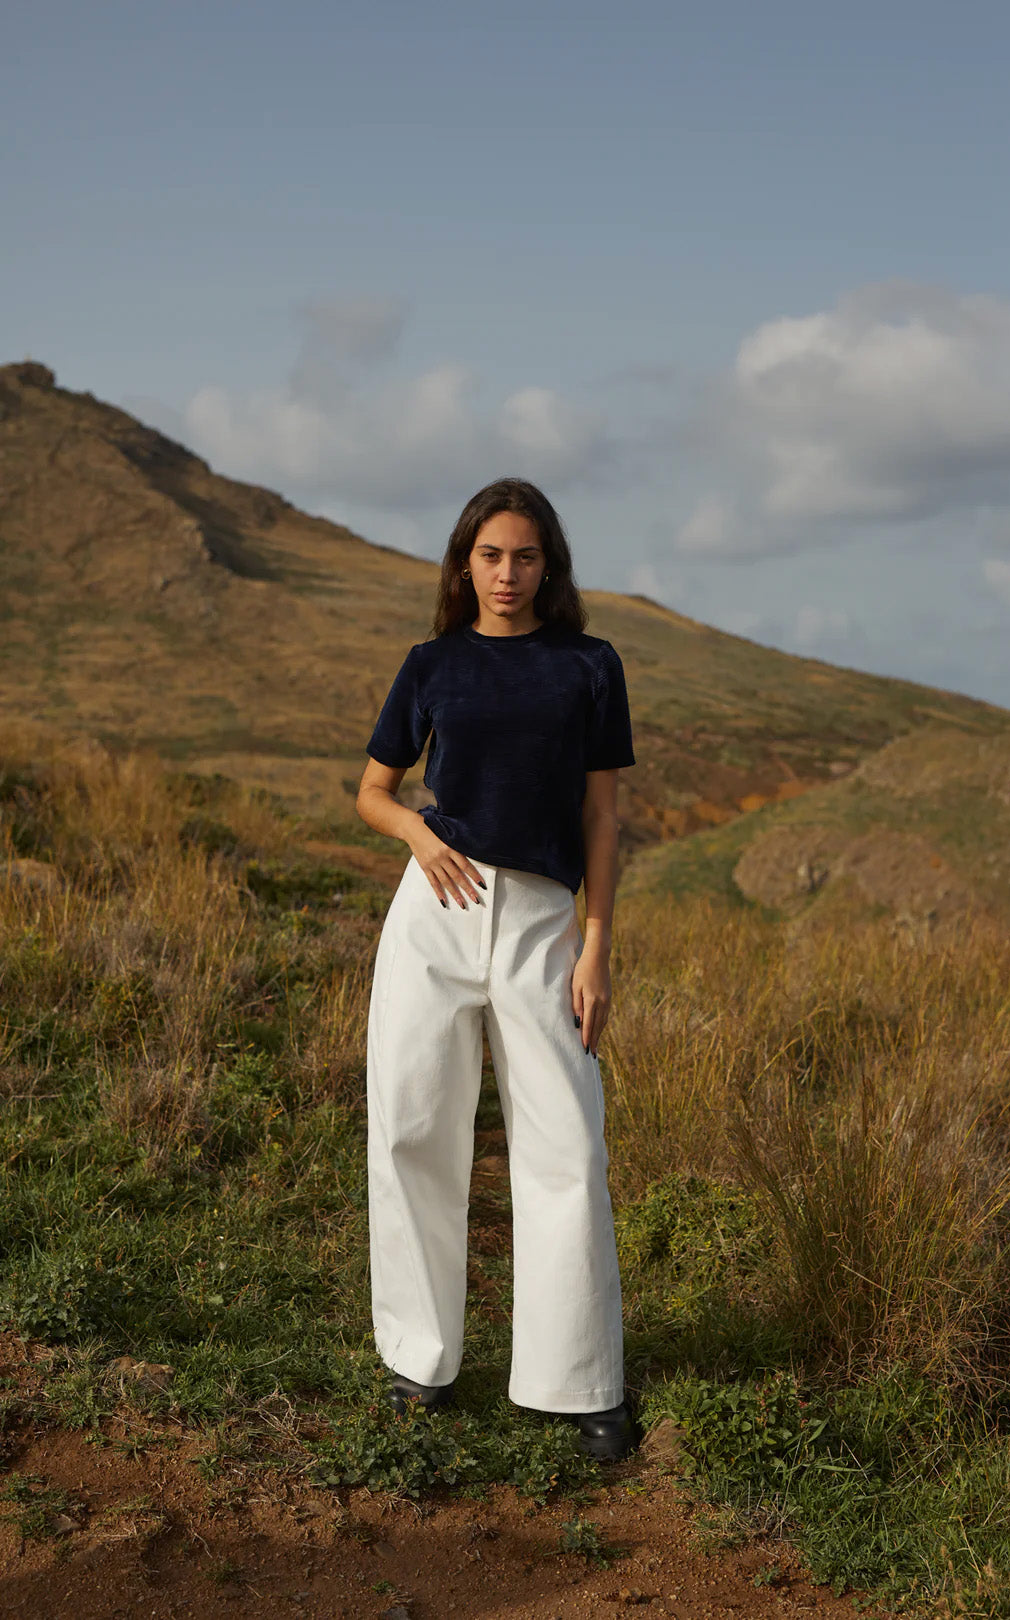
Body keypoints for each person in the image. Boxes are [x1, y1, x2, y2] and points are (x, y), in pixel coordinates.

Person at [355, 476, 638, 1462]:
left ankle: (579, 1381)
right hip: (433, 912)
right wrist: (419, 840)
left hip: (543, 924)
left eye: (525, 556)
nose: (508, 573)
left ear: (548, 564)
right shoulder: (431, 663)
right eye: (491, 555)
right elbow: (373, 791)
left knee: (568, 1141)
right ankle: (418, 1360)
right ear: (465, 563)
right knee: (414, 1125)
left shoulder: (590, 666)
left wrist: (597, 944)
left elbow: (602, 816)